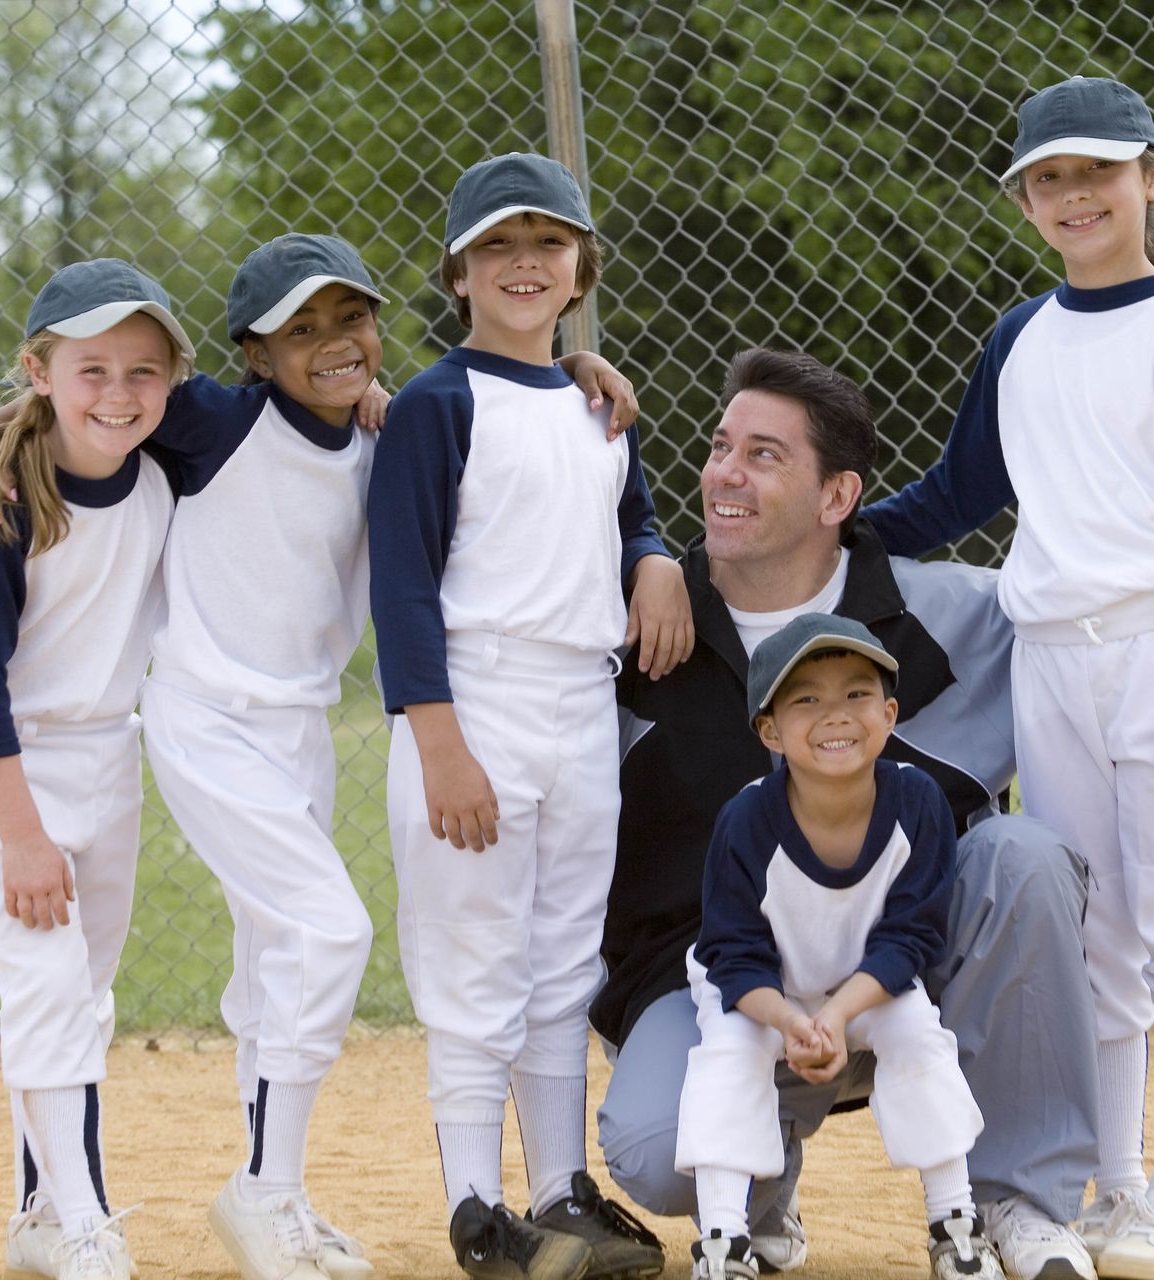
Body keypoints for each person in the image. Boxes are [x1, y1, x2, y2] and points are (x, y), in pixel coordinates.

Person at [0, 234, 643, 1280]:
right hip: (204, 718)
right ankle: (252, 1190)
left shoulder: (386, 432)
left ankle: (262, 1193)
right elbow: (89, 397)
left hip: (297, 729)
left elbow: (494, 413)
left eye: (346, 320)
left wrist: (573, 367)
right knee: (328, 930)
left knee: (275, 965)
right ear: (253, 354)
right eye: (296, 330)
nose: (329, 343)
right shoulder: (217, 419)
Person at [863, 77, 1154, 1280]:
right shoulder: (1019, 337)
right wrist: (820, 533)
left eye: (1098, 170)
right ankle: (1116, 1183)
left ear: (1152, 177)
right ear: (1028, 201)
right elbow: (957, 494)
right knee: (1099, 935)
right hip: (1051, 663)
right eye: (1049, 177)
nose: (1074, 192)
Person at [598, 348, 1101, 1280]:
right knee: (656, 1150)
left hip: (909, 965)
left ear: (838, 499)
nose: (724, 476)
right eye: (719, 448)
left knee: (1023, 857)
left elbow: (1106, 596)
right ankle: (761, 1191)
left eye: (763, 455)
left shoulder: (957, 618)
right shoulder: (639, 630)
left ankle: (1021, 1203)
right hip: (725, 981)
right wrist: (643, 553)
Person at [367, 152, 690, 1280]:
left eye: (546, 244)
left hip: (579, 700)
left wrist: (651, 558)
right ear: (458, 273)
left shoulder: (600, 403)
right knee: (473, 957)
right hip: (474, 693)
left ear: (580, 268)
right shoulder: (435, 404)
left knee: (560, 960)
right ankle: (473, 1204)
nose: (523, 263)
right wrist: (437, 739)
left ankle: (559, 1191)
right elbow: (402, 585)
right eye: (497, 246)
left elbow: (630, 516)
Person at [0, 259, 193, 1280]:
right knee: (42, 980)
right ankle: (83, 1222)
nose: (119, 393)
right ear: (39, 370)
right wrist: (20, 833)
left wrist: (371, 392)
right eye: (92, 368)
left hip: (102, 750)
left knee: (86, 989)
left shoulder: (161, 469)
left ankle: (39, 1206)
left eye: (144, 372)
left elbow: (282, 406)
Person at [676, 613, 1002, 1280]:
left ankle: (955, 1222)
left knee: (917, 1031)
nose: (835, 716)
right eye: (806, 699)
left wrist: (837, 1013)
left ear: (889, 713)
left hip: (866, 982)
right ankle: (723, 1240)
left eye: (856, 694)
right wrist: (795, 1020)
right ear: (770, 730)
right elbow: (732, 957)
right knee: (729, 1055)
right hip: (764, 991)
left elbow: (911, 937)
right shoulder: (747, 819)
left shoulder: (917, 803)